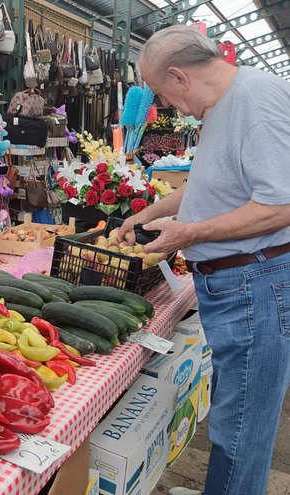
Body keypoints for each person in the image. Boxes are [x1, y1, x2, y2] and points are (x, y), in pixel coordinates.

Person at [119, 25, 290, 495]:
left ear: (178, 76)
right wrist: (150, 213)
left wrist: (189, 232)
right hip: (239, 284)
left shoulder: (255, 102)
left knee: (241, 429)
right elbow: (210, 182)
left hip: (254, 284)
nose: (166, 105)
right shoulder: (226, 105)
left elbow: (280, 205)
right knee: (235, 416)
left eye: (161, 93)